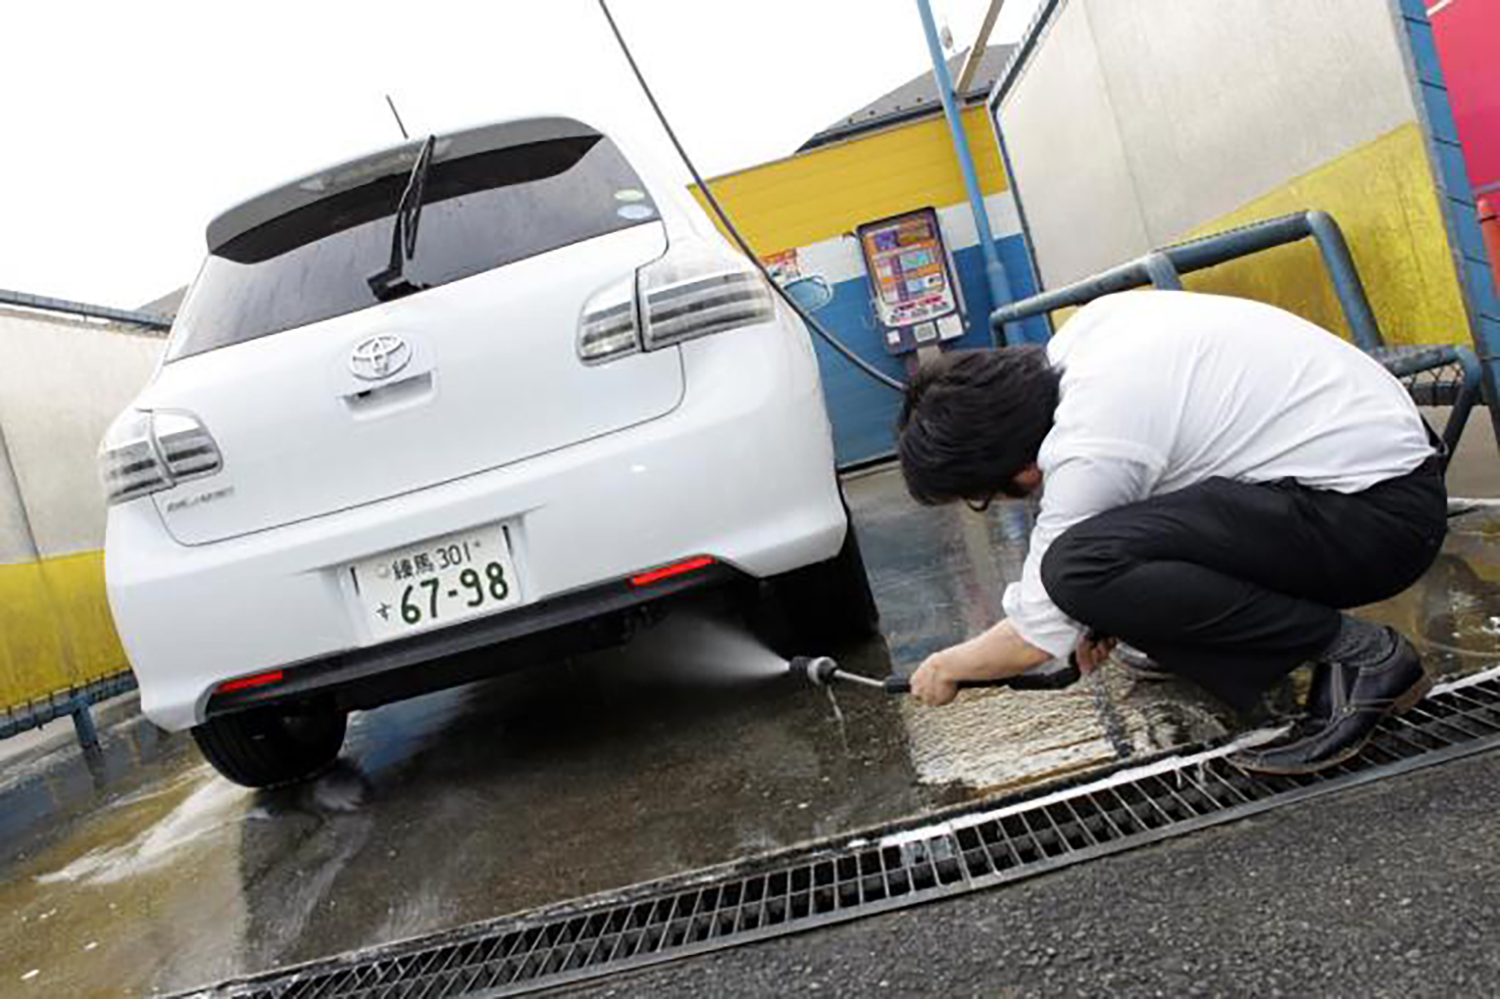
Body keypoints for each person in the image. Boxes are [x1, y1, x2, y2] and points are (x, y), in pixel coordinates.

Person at [897, 290, 1447, 775]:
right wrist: (1110, 611)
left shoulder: (1092, 441)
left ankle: (1365, 656)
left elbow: (1036, 632)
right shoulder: (1091, 335)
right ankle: (1268, 649)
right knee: (1093, 573)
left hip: (1379, 521)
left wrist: (947, 667)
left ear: (1016, 469)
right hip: (1378, 481)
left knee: (1076, 568)